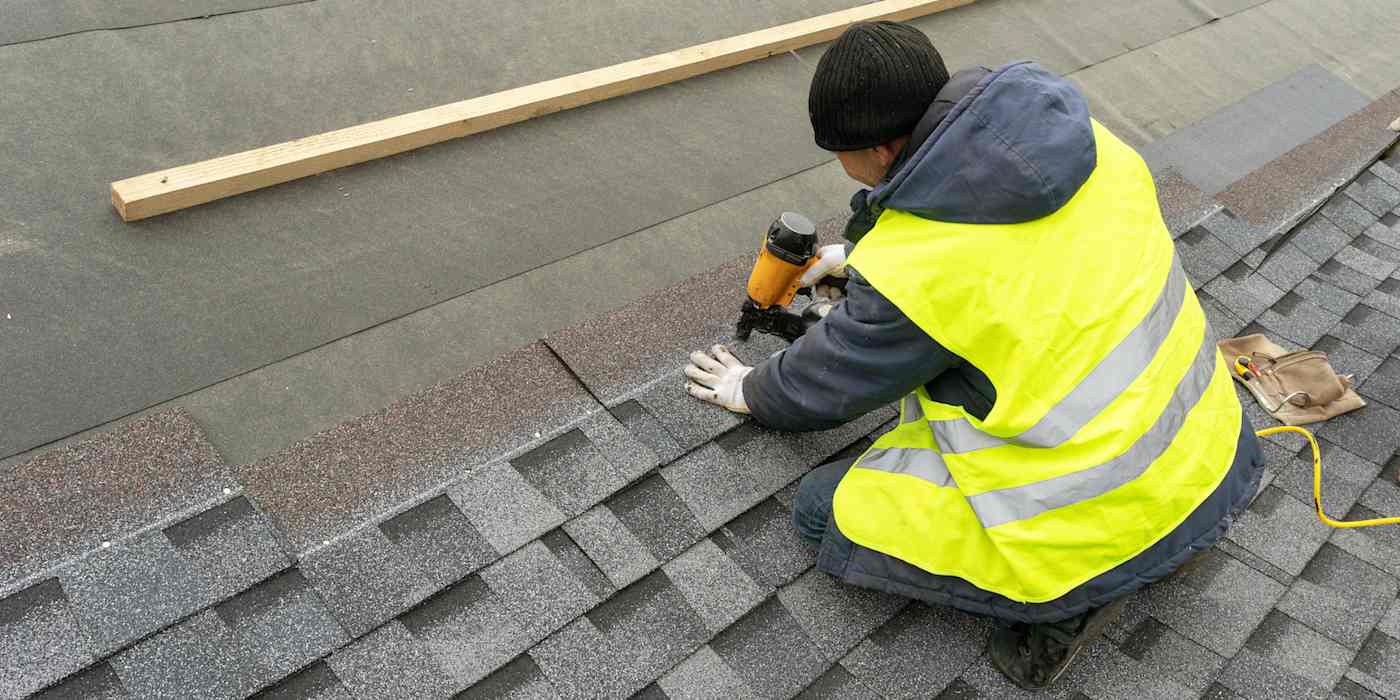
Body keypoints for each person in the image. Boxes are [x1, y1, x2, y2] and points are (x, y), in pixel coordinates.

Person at [683, 21, 1264, 690]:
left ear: (877, 150)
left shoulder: (922, 276)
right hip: (1205, 450)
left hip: (1098, 508)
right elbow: (1012, 260)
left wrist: (747, 389)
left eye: (841, 155)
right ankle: (1140, 546)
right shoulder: (1089, 148)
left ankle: (1061, 602)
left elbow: (821, 387)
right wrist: (863, 263)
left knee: (823, 511)